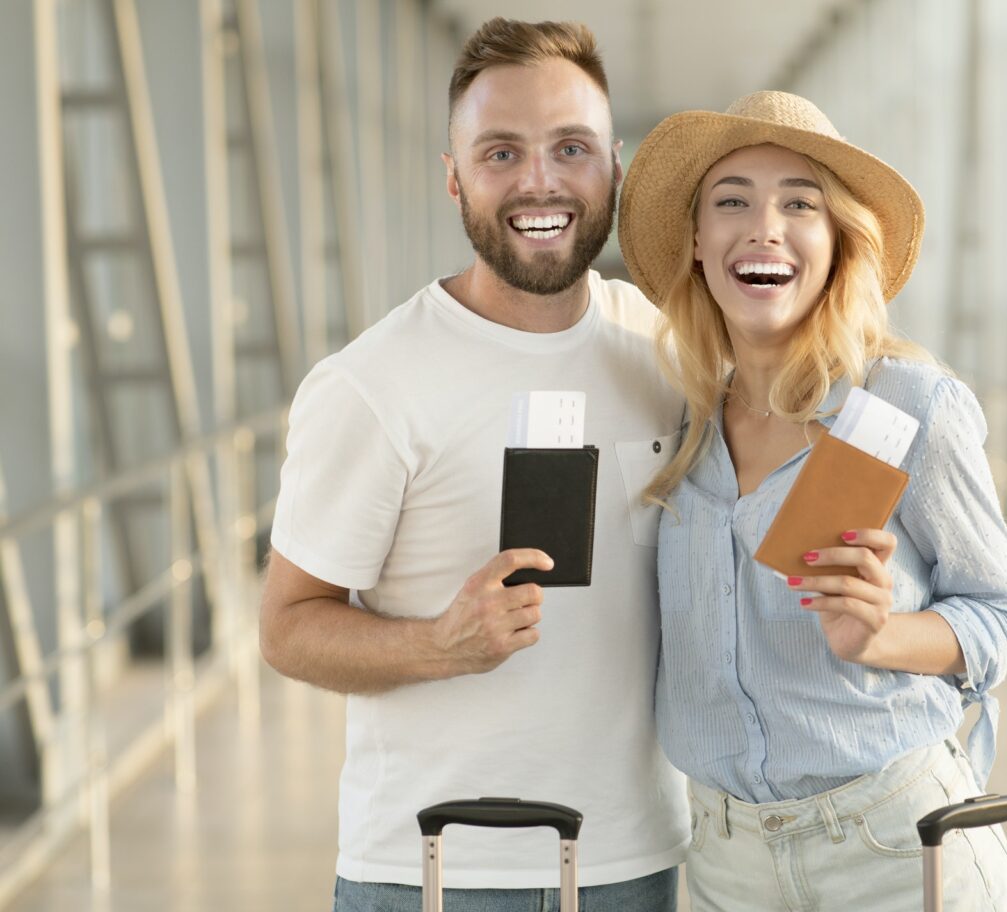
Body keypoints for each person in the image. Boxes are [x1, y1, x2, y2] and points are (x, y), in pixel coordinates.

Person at [259, 19, 688, 912]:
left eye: (570, 147)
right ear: (454, 177)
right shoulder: (371, 386)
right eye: (501, 153)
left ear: (612, 165)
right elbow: (288, 626)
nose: (540, 181)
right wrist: (434, 645)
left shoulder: (666, 352)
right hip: (435, 870)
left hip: (633, 861)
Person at [617, 91, 1007, 909]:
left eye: (798, 203)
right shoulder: (681, 429)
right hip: (724, 867)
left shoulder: (910, 407)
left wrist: (882, 635)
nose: (763, 227)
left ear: (838, 240)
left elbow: (1002, 618)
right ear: (698, 244)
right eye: (731, 200)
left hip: (897, 851)